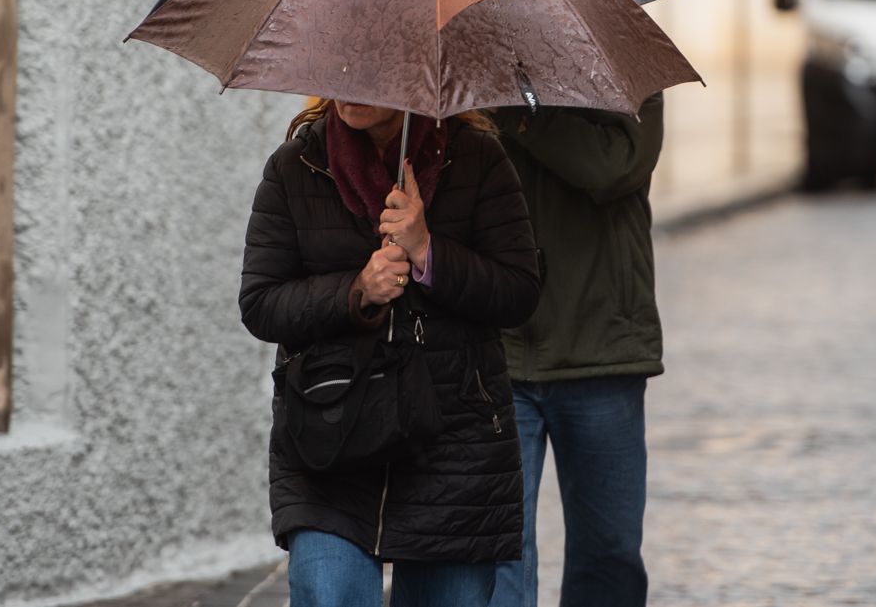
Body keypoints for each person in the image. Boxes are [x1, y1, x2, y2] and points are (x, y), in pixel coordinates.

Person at [240, 99, 542, 607]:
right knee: (330, 594)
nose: (349, 85)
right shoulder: (296, 165)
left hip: (454, 446)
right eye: (339, 67)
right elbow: (261, 304)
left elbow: (518, 293)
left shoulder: (477, 158)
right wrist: (356, 289)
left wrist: (427, 251)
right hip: (330, 438)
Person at [487, 94, 665, 607]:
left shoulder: (621, 65)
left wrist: (519, 116)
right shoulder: (475, 73)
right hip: (499, 349)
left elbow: (614, 165)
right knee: (497, 552)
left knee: (607, 554)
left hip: (601, 344)